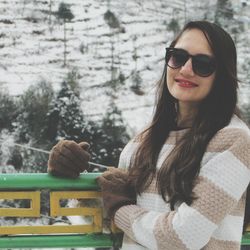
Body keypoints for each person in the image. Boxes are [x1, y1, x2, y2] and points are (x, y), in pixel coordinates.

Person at [48, 21, 250, 250]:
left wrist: (118, 206)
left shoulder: (235, 140)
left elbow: (183, 237)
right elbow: (113, 221)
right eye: (178, 57)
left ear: (222, 75)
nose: (185, 69)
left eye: (203, 64)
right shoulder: (142, 141)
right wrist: (69, 177)